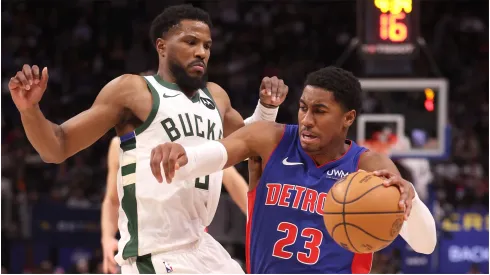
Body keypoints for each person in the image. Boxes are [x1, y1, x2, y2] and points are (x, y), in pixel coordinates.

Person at [8, 4, 289, 273]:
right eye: (191, 42)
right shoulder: (133, 91)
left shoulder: (216, 97)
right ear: (162, 46)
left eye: (207, 46)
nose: (201, 52)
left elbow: (252, 147)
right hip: (156, 254)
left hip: (203, 245)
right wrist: (29, 110)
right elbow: (57, 147)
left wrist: (267, 108)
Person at [148, 66, 437, 273]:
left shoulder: (368, 166)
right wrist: (185, 154)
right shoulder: (270, 139)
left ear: (348, 118)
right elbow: (219, 153)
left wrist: (409, 200)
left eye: (320, 111)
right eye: (302, 108)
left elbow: (425, 244)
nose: (306, 120)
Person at [101, 137, 249, 273]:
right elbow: (112, 200)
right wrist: (107, 238)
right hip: (150, 251)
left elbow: (233, 181)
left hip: (195, 244)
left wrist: (260, 222)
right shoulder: (122, 143)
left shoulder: (199, 134)